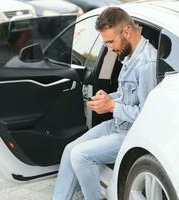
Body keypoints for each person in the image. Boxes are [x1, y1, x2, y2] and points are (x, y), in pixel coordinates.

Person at [53, 6, 157, 200]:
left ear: (126, 32)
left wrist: (111, 107)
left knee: (80, 156)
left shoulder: (146, 64)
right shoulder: (130, 56)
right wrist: (108, 98)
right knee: (69, 151)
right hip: (117, 125)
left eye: (110, 41)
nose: (109, 48)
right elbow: (127, 95)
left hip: (131, 133)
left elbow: (146, 115)